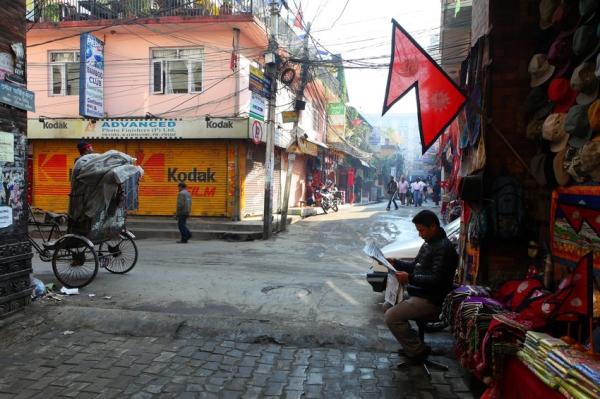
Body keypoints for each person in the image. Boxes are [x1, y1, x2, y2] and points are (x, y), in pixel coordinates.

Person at [383, 210, 458, 361]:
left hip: (431, 298)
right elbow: (415, 265)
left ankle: (418, 351)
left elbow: (437, 280)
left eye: (421, 230)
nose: (420, 234)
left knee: (391, 316)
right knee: (387, 305)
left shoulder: (443, 247)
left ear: (433, 227)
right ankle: (413, 344)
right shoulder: (429, 243)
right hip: (419, 292)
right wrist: (395, 263)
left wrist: (409, 278)